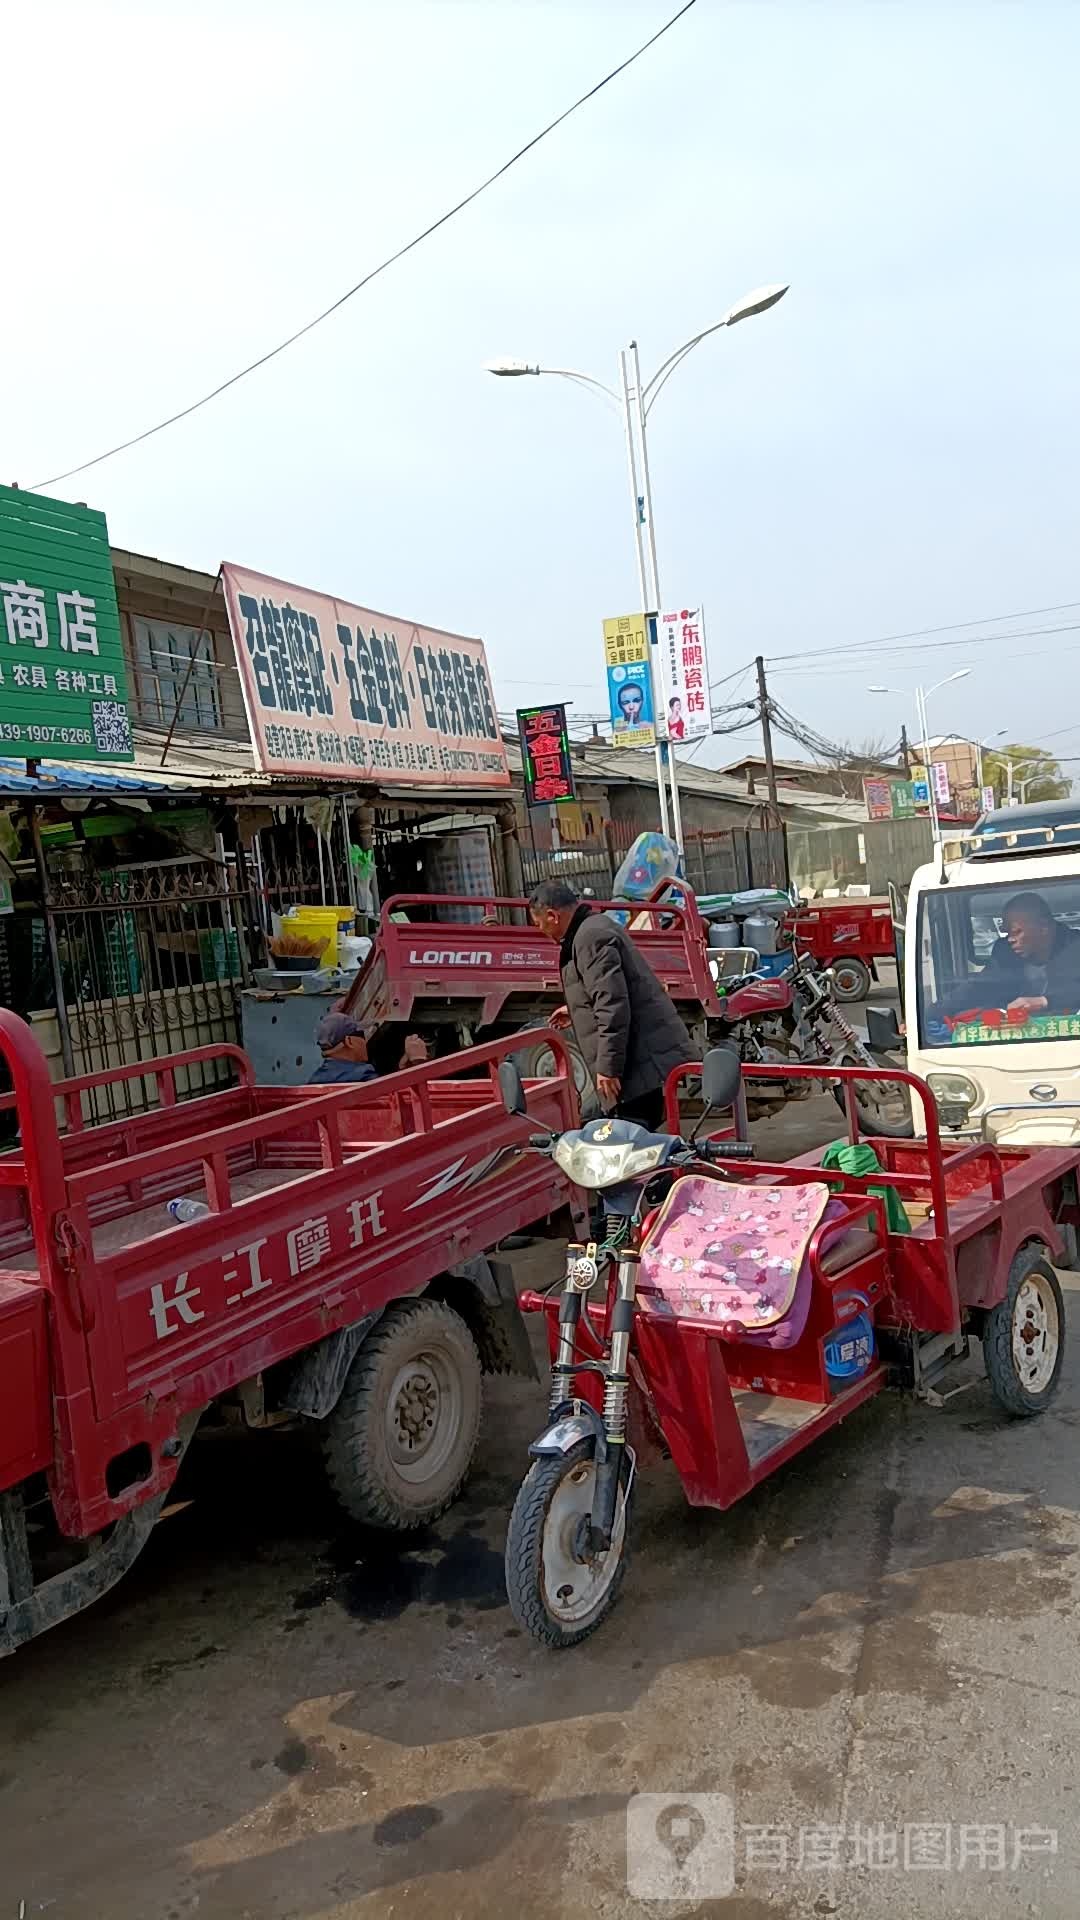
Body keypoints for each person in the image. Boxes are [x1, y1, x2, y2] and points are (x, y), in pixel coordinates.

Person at [529, 879, 694, 1130]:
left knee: (634, 1141)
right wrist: (575, 1010)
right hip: (638, 1057)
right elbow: (607, 993)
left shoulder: (589, 937)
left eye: (539, 924)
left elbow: (613, 1005)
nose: (541, 932)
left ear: (552, 915)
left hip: (638, 1061)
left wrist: (608, 1068)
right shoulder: (591, 929)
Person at [979, 892, 1080, 1016]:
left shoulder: (1076, 946)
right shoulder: (1004, 951)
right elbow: (979, 986)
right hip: (1015, 1031)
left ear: (1043, 927)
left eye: (1016, 932)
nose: (1010, 939)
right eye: (1006, 933)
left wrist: (1045, 1001)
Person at [309, 1012, 430, 1084]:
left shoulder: (315, 1080)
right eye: (361, 1034)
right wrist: (418, 1061)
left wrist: (401, 1069)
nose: (365, 1040)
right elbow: (393, 1098)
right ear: (349, 1041)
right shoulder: (362, 1075)